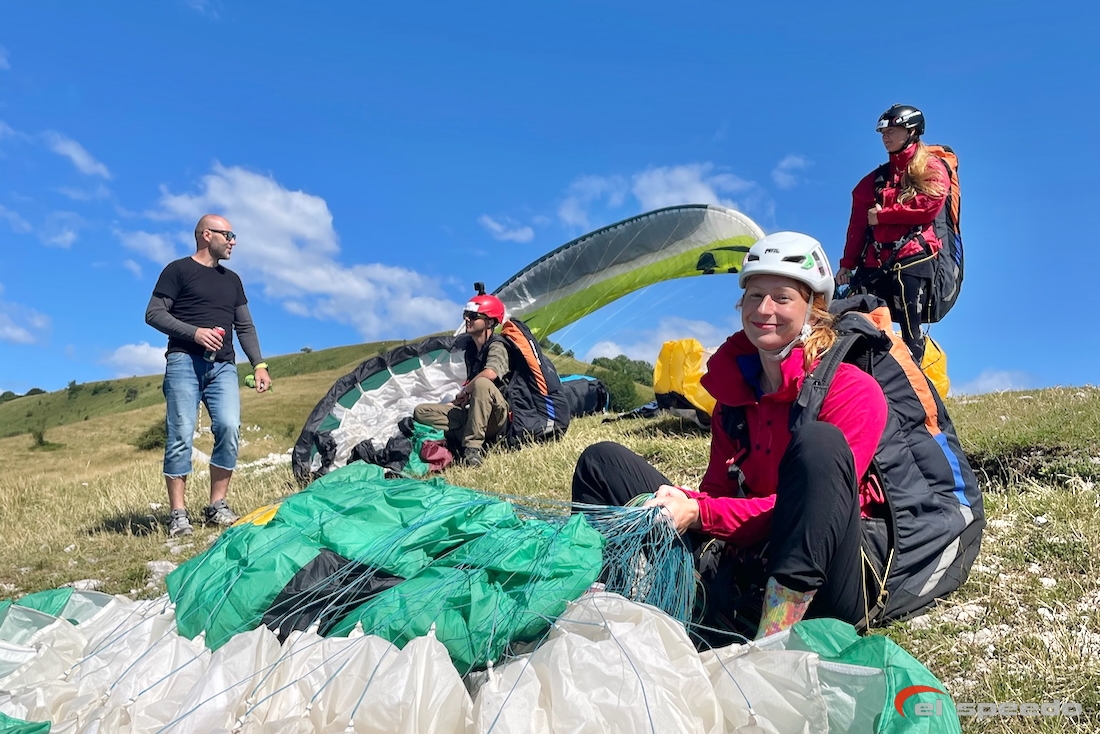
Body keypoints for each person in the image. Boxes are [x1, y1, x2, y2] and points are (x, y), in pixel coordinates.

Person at [572, 232, 888, 640]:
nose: (764, 309)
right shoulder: (735, 399)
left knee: (820, 443)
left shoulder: (852, 390)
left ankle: (772, 640)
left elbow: (815, 507)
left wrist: (699, 512)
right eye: (755, 296)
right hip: (747, 564)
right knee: (602, 463)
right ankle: (610, 597)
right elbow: (718, 491)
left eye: (782, 298)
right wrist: (683, 502)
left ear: (815, 308)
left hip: (827, 580)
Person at [145, 214, 271, 537]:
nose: (233, 241)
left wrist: (258, 364)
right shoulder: (178, 270)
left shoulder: (233, 280)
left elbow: (244, 325)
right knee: (180, 434)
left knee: (229, 427)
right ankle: (178, 514)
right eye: (227, 234)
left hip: (223, 367)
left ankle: (217, 506)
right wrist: (195, 333)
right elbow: (154, 314)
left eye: (233, 235)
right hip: (184, 362)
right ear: (206, 235)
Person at [836, 104, 949, 364]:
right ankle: (870, 378)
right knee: (861, 323)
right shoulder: (872, 181)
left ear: (912, 131)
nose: (885, 136)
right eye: (883, 132)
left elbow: (929, 206)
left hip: (913, 259)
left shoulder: (931, 167)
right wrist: (847, 264)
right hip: (874, 263)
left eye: (892, 131)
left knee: (911, 332)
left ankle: (915, 380)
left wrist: (883, 215)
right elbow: (857, 226)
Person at [412, 294, 512, 468]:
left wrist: (466, 390)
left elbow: (490, 373)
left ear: (489, 322)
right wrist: (456, 403)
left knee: (482, 383)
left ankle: (472, 449)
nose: (467, 319)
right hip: (474, 412)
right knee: (421, 411)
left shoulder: (497, 346)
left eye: (473, 316)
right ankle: (462, 437)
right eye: (465, 315)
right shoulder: (471, 352)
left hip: (497, 415)